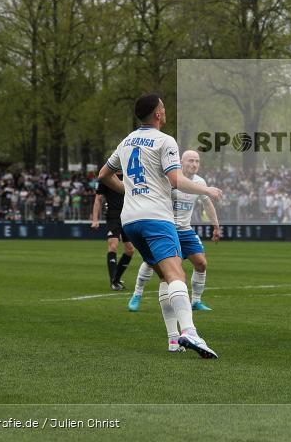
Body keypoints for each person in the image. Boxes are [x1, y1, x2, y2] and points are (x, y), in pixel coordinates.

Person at [98, 93, 223, 357]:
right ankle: (190, 331)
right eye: (163, 108)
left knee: (165, 277)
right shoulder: (165, 140)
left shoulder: (126, 141)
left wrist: (128, 191)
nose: (165, 112)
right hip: (156, 217)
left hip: (130, 222)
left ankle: (172, 338)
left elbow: (104, 175)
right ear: (156, 113)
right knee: (177, 275)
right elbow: (176, 180)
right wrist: (206, 190)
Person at [129, 150, 220, 312]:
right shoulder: (169, 180)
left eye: (197, 161)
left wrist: (216, 226)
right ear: (181, 162)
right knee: (151, 262)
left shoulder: (200, 182)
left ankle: (196, 301)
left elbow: (207, 203)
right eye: (190, 161)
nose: (194, 164)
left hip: (185, 230)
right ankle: (137, 294)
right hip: (165, 228)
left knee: (201, 263)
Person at [91, 174, 135, 290]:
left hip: (128, 216)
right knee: (113, 246)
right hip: (113, 216)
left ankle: (116, 279)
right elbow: (98, 199)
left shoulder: (129, 175)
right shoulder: (106, 177)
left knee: (130, 250)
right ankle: (113, 282)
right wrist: (95, 220)